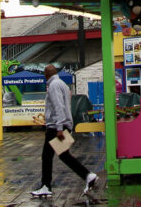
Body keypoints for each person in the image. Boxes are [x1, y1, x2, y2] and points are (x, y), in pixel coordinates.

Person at [31, 65, 98, 199]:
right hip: (64, 124)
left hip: (55, 127)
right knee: (63, 155)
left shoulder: (54, 85)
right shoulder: (63, 84)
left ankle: (46, 186)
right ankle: (88, 175)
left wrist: (59, 128)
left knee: (47, 156)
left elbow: (58, 106)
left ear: (47, 74)